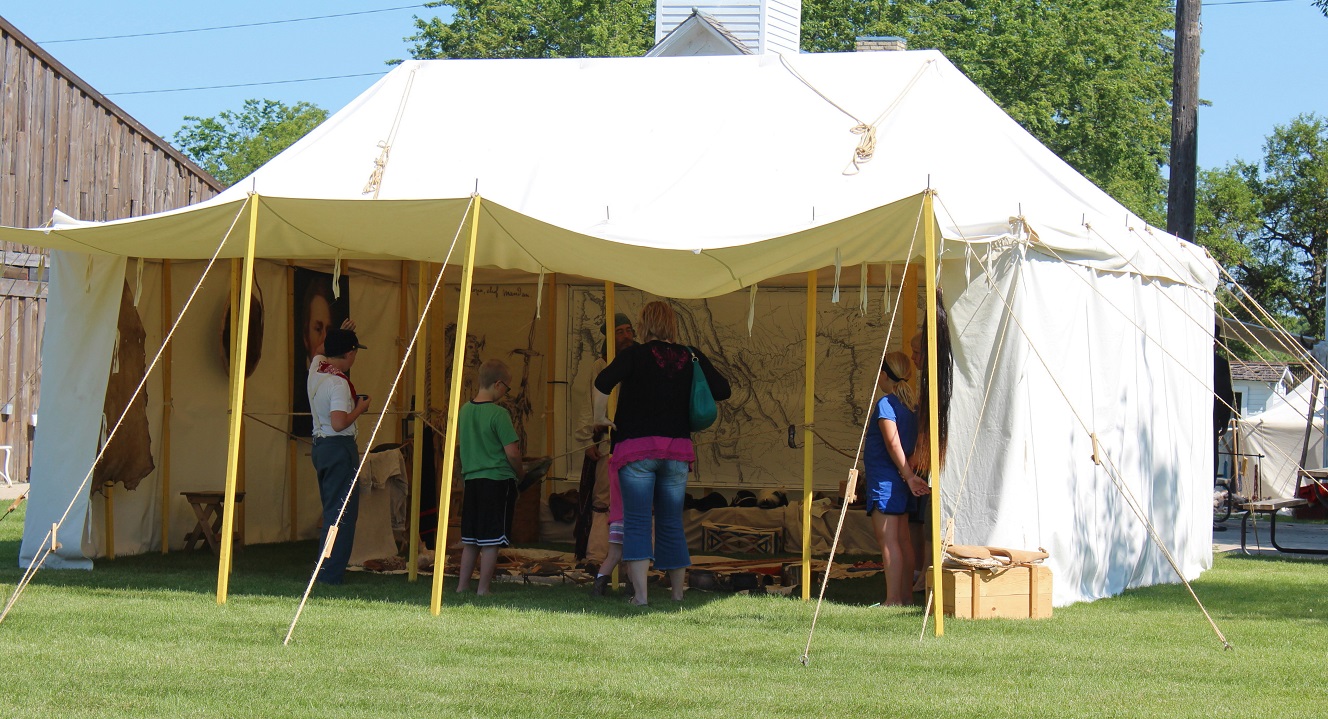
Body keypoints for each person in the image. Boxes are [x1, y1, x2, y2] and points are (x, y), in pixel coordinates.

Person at [593, 301, 730, 606]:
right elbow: (723, 390)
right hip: (677, 451)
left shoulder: (634, 355)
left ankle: (641, 597)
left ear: (644, 325)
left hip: (636, 451)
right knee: (671, 523)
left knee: (637, 522)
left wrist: (599, 417)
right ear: (672, 324)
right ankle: (678, 594)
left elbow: (603, 382)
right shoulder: (691, 355)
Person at [573, 312, 638, 594]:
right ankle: (598, 555)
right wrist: (587, 438)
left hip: (636, 441)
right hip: (608, 442)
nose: (626, 336)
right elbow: (588, 402)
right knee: (603, 499)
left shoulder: (639, 361)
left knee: (637, 499)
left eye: (628, 330)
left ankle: (638, 558)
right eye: (619, 332)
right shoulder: (600, 366)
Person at [862, 351, 930, 606]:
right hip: (900, 481)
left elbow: (892, 444)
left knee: (889, 543)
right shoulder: (911, 406)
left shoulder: (886, 404)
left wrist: (909, 475)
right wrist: (909, 471)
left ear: (883, 375)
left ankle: (893, 599)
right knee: (903, 541)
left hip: (887, 482)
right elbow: (919, 442)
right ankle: (905, 597)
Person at [308, 323, 370, 585]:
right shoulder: (338, 383)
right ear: (350, 353)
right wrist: (360, 409)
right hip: (338, 448)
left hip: (321, 447)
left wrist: (336, 333)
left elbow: (318, 350)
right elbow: (338, 423)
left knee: (332, 511)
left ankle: (326, 569)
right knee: (341, 516)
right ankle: (329, 573)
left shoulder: (317, 369)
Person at [456, 358, 524, 596]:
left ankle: (462, 586)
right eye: (507, 387)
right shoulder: (499, 414)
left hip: (472, 481)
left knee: (471, 539)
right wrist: (520, 473)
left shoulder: (464, 411)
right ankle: (483, 589)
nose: (506, 392)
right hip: (496, 481)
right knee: (491, 540)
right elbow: (512, 452)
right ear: (498, 384)